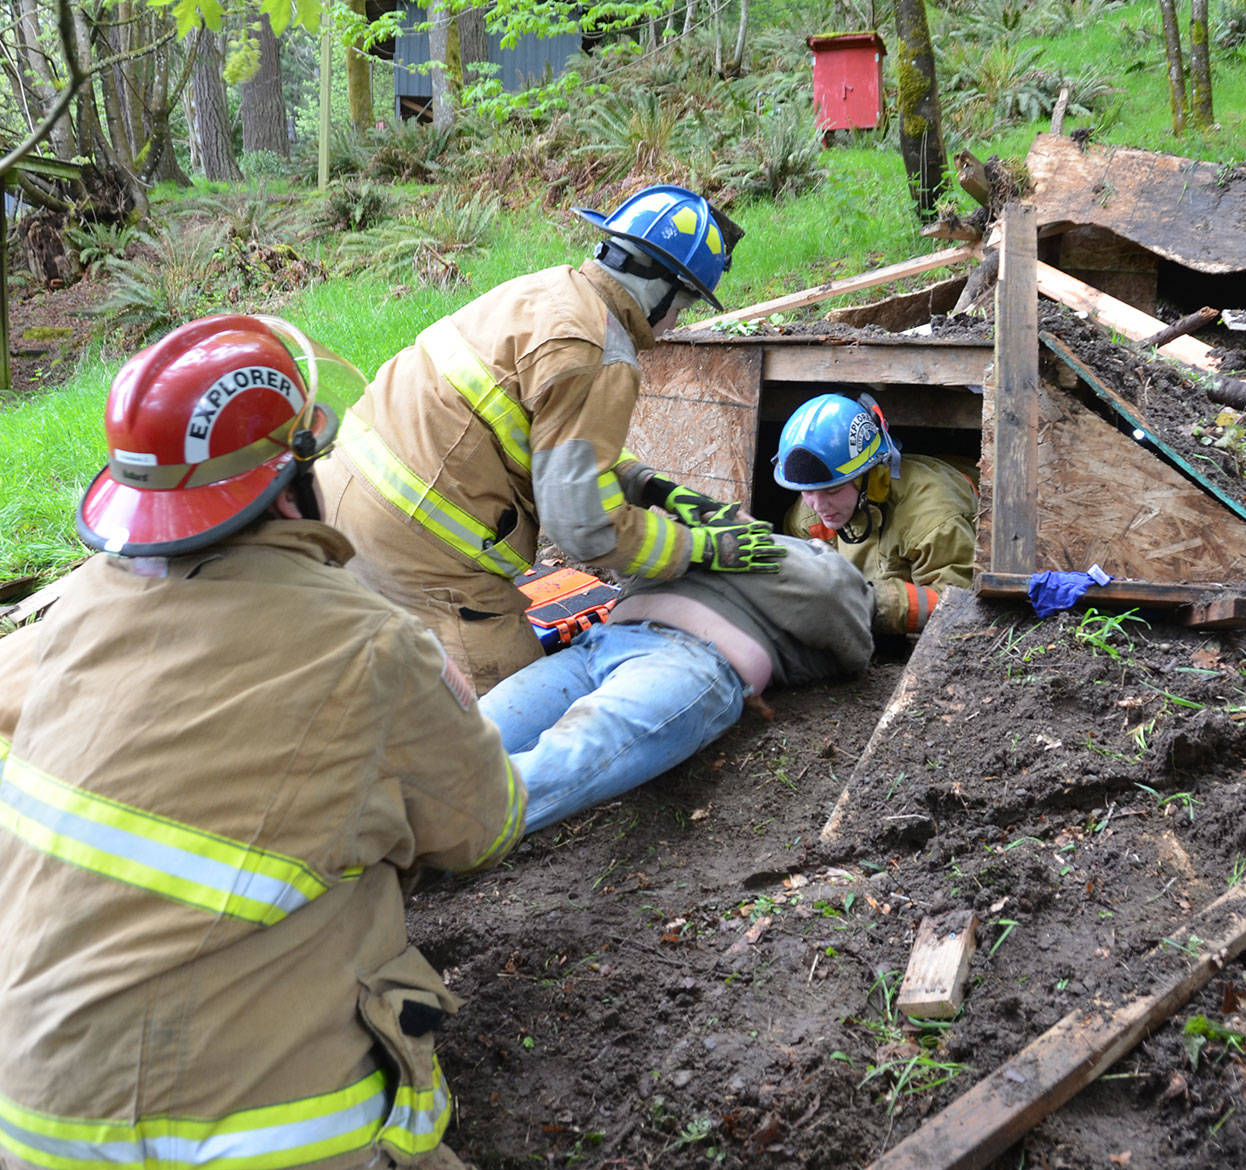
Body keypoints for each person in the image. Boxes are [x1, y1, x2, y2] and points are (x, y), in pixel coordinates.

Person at [0, 315, 528, 1170]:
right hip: (184, 1138)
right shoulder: (367, 645)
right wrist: (441, 693)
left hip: (28, 1108)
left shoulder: (66, 608)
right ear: (302, 461)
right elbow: (485, 825)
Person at [314, 185, 784, 694]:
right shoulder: (600, 352)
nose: (675, 324)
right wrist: (697, 550)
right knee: (517, 711)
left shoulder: (548, 292)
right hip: (418, 549)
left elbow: (554, 437)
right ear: (660, 290)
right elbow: (585, 528)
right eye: (684, 305)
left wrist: (648, 486)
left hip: (339, 497)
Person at [480, 535, 875, 833]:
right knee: (467, 733)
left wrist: (711, 539)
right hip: (598, 645)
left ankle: (430, 841)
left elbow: (842, 618)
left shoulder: (824, 570)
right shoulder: (710, 536)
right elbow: (622, 550)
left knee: (568, 755)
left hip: (690, 657)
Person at [776, 392, 977, 636]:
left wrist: (871, 602)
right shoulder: (806, 516)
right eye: (807, 492)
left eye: (833, 490)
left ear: (868, 476)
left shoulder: (935, 519)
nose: (818, 506)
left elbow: (959, 603)